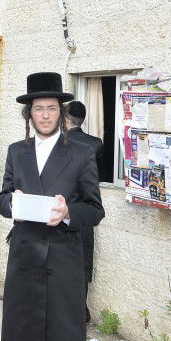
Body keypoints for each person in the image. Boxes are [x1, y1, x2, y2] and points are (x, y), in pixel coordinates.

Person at [0, 73, 104, 341]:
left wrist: (68, 212)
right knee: (19, 324)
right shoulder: (16, 151)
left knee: (61, 328)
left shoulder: (82, 153)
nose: (45, 115)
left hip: (63, 254)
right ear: (29, 114)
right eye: (38, 109)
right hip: (25, 252)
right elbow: (3, 198)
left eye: (52, 108)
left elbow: (95, 209)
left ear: (61, 113)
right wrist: (13, 203)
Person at [64, 100, 103, 322]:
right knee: (82, 266)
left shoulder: (60, 143)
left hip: (64, 209)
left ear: (66, 120)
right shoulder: (95, 143)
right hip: (85, 211)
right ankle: (81, 312)